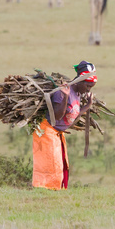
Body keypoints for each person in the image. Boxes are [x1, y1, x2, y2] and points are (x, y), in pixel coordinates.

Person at [32, 61, 97, 190]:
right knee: (51, 166)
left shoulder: (77, 94)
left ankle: (55, 193)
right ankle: (45, 194)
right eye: (88, 86)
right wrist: (66, 97)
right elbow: (57, 117)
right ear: (79, 80)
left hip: (56, 134)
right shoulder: (62, 92)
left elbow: (73, 118)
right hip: (47, 132)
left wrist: (87, 106)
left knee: (61, 165)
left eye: (91, 87)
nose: (88, 90)